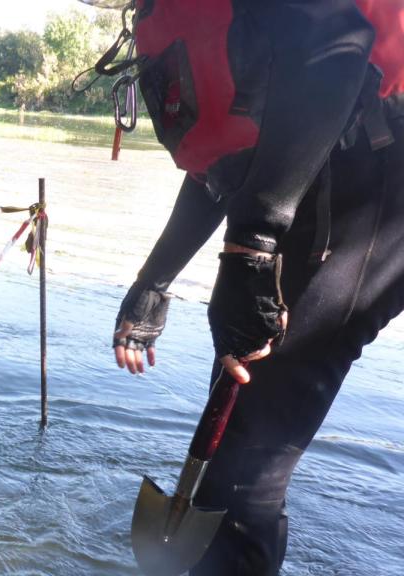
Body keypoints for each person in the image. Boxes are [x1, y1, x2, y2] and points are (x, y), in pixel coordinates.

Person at [106, 0, 404, 573]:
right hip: (312, 193)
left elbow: (336, 45)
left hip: (374, 184)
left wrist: (254, 245)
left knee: (245, 475)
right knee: (234, 436)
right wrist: (155, 281)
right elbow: (229, 149)